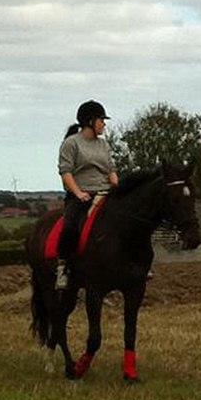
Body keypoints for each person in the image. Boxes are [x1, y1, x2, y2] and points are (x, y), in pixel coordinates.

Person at [55, 100, 119, 289]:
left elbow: (110, 169)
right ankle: (63, 268)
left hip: (105, 192)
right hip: (81, 194)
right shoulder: (71, 143)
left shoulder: (103, 145)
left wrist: (115, 181)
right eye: (101, 120)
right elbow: (66, 172)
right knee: (70, 227)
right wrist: (78, 193)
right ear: (90, 121)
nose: (104, 124)